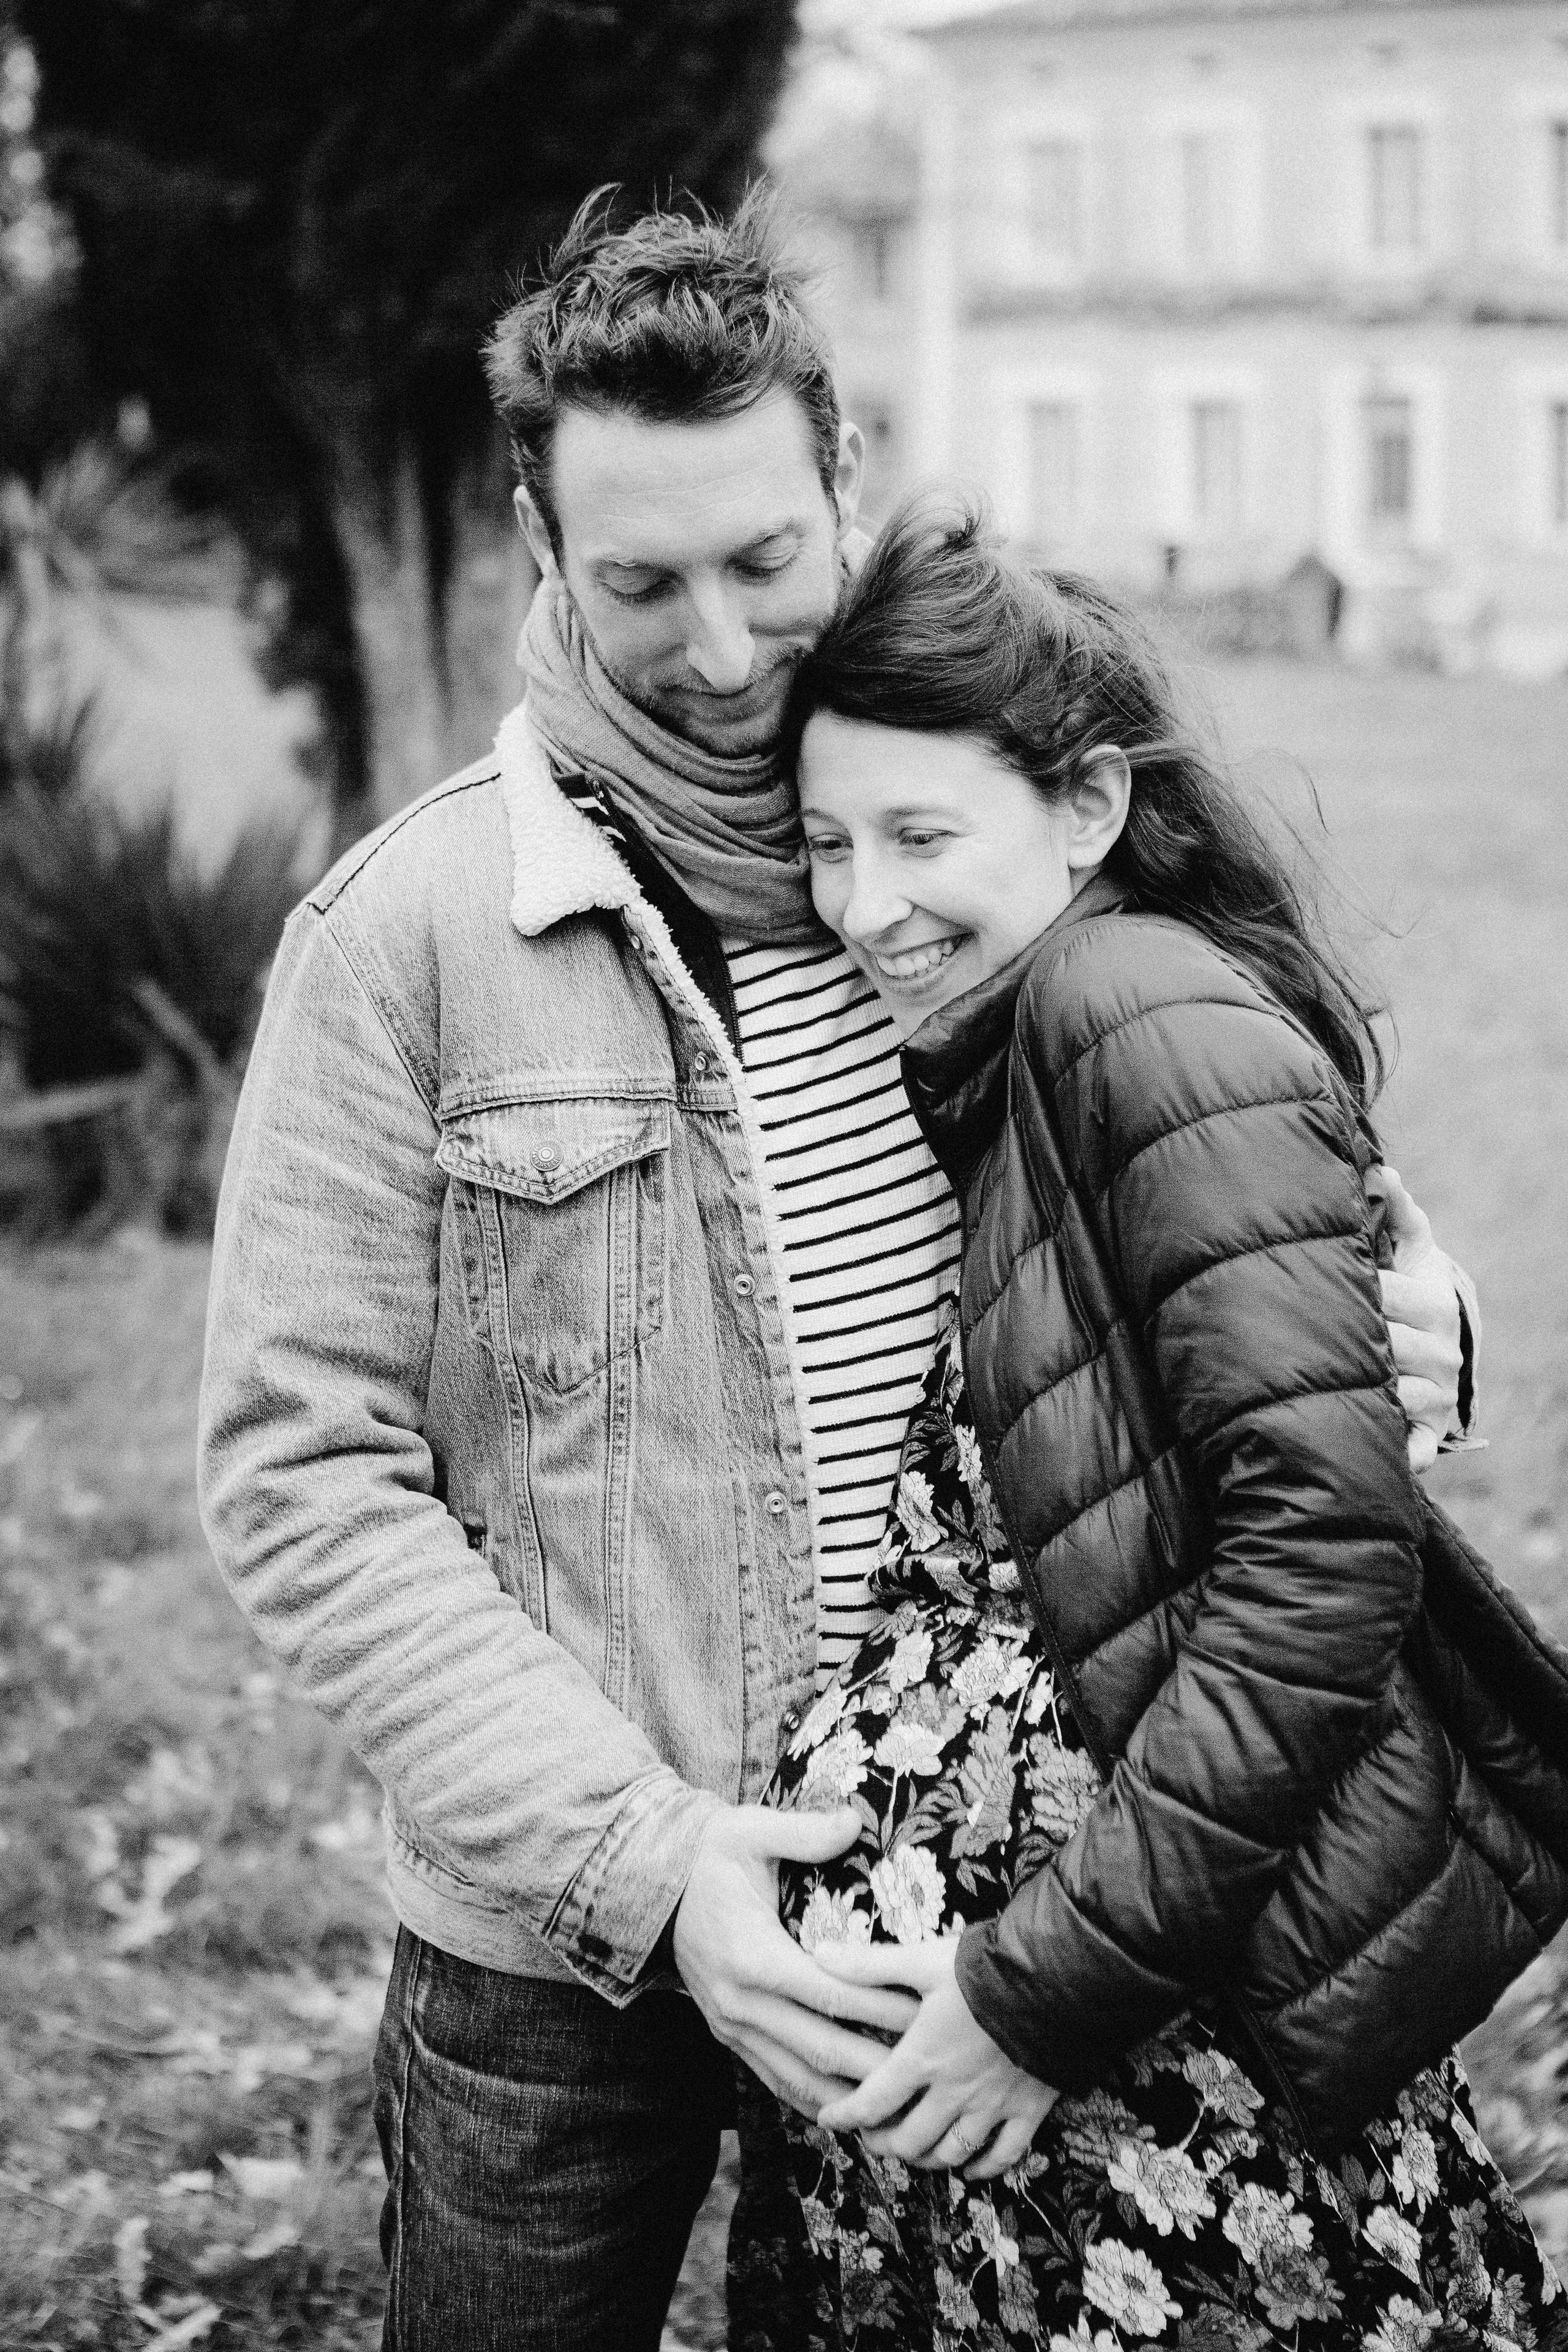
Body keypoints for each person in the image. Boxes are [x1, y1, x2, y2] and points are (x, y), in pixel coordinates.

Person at [196, 195, 1474, 2352]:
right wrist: (650, 1858)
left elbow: (1213, 1146)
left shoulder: (931, 837)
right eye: (642, 581)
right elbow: (299, 1481)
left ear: (844, 479)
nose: (713, 648)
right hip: (560, 1940)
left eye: (764, 562)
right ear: (536, 533)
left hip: (974, 1925)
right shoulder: (405, 941)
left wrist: (1403, 1262)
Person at [758, 498, 1564, 2351]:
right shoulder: (1034, 1028)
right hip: (1068, 2058)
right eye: (823, 846)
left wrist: (1040, 1992)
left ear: (1090, 809)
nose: (864, 903)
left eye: (920, 835)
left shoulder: (1138, 1013)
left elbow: (1319, 1567)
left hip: (1139, 2043)